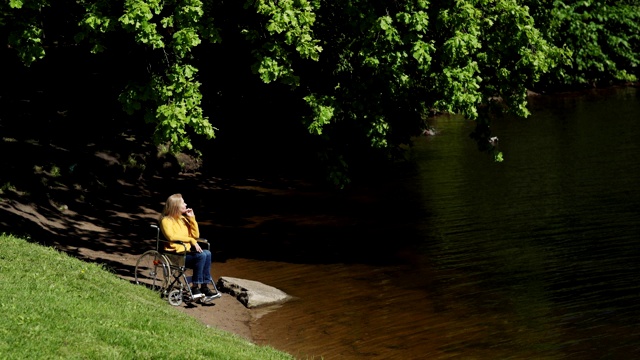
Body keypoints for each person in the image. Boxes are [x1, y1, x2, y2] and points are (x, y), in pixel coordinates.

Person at [159, 193, 220, 302]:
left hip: (185, 253)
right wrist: (191, 240)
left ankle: (204, 286)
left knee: (207, 253)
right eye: (183, 202)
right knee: (201, 255)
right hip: (174, 255)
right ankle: (195, 287)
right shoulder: (166, 221)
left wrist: (192, 219)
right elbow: (171, 236)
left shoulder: (184, 219)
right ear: (176, 206)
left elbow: (195, 236)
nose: (186, 204)